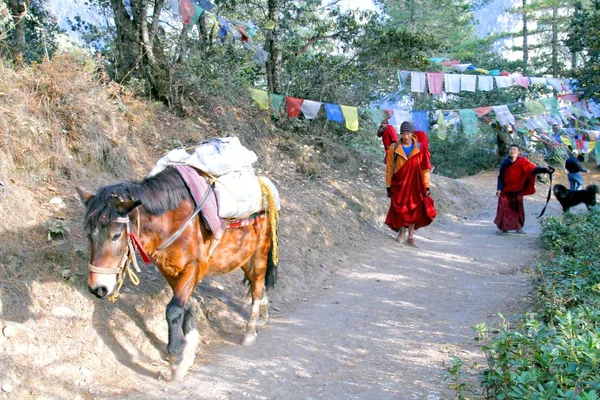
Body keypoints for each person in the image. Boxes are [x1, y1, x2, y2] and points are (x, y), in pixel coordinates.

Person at [385, 121, 436, 247]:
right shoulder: (394, 148)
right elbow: (389, 168)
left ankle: (411, 236)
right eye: (403, 134)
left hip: (415, 183)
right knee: (400, 208)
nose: (406, 137)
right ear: (400, 134)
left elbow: (425, 168)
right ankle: (402, 231)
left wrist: (427, 185)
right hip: (399, 182)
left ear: (412, 134)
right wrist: (388, 185)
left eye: (408, 133)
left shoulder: (420, 147)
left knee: (414, 208)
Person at [494, 145, 555, 234]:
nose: (512, 151)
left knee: (518, 209)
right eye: (511, 149)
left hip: (518, 189)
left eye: (514, 150)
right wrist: (499, 189)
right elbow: (501, 177)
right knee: (504, 209)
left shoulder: (523, 161)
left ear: (519, 152)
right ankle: (504, 228)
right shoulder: (505, 163)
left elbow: (533, 169)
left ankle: (518, 227)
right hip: (506, 190)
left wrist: (545, 170)